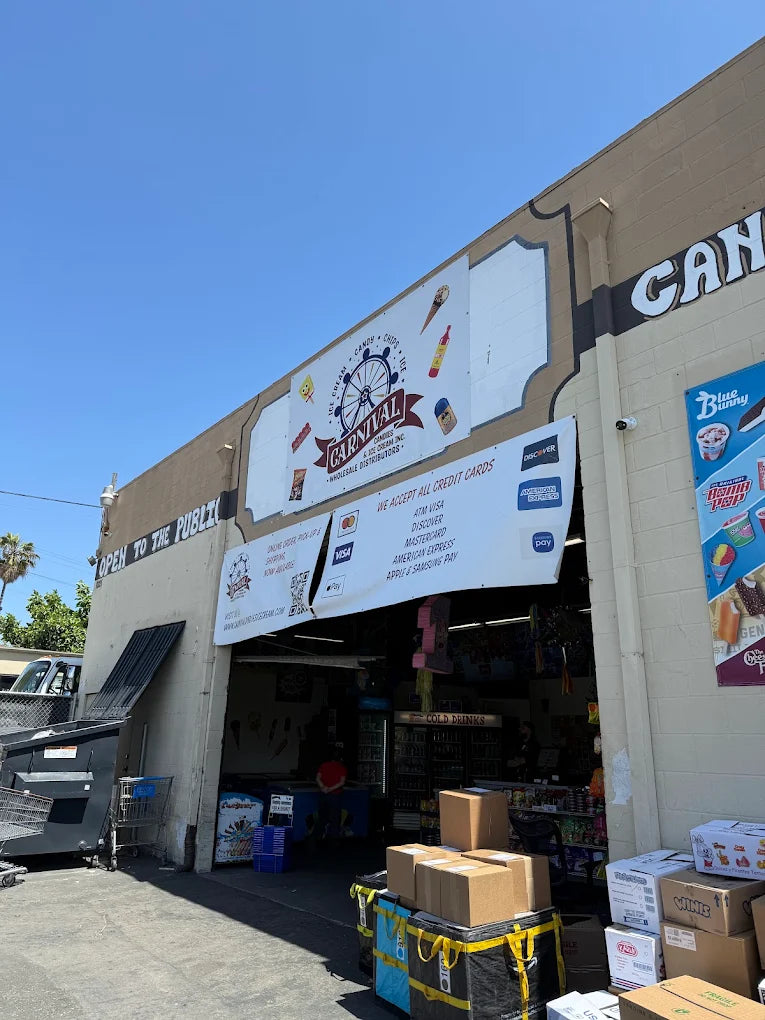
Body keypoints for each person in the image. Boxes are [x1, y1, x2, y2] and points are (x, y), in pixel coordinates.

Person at [316, 745, 347, 842]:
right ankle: (333, 841)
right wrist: (330, 789)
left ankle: (318, 838)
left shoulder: (324, 765)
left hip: (323, 795)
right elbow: (342, 782)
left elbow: (317, 778)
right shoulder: (341, 767)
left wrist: (323, 787)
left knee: (322, 817)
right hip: (335, 795)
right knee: (335, 819)